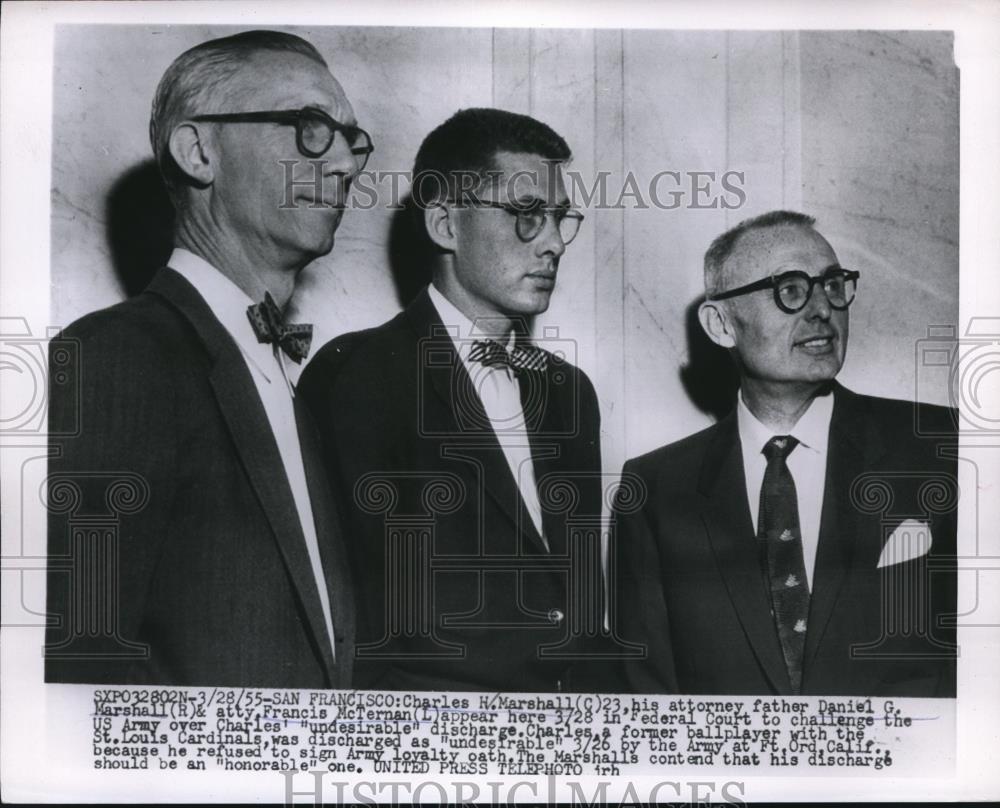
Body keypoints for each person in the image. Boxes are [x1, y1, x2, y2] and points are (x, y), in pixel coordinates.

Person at [45, 30, 370, 687]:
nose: (344, 166)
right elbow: (80, 673)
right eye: (310, 127)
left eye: (351, 141)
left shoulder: (294, 382)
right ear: (199, 151)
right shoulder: (116, 357)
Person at [299, 108, 603, 692]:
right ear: (444, 224)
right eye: (526, 216)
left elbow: (577, 604)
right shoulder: (353, 375)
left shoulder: (568, 391)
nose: (555, 244)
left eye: (561, 219)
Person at [613, 210, 957, 696]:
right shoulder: (655, 488)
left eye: (833, 285)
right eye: (791, 290)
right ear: (720, 324)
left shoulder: (943, 446)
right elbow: (645, 695)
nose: (822, 309)